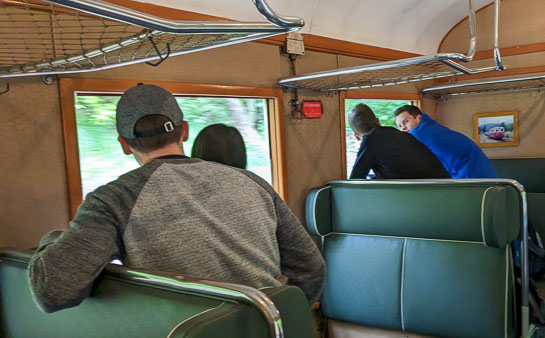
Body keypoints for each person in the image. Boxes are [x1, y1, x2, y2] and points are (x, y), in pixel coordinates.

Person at [28, 84, 326, 313]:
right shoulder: (252, 181)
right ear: (183, 131)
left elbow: (53, 290)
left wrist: (53, 240)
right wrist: (282, 319)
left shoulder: (112, 200)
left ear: (123, 144)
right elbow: (311, 268)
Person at [348, 103, 450, 179]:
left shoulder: (370, 140)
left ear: (356, 136)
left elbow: (355, 181)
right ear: (378, 122)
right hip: (446, 187)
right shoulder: (402, 135)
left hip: (425, 195)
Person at [394, 105, 497, 179]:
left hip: (469, 174)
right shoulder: (433, 127)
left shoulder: (419, 133)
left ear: (419, 118)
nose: (403, 128)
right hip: (481, 171)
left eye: (406, 122)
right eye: (399, 126)